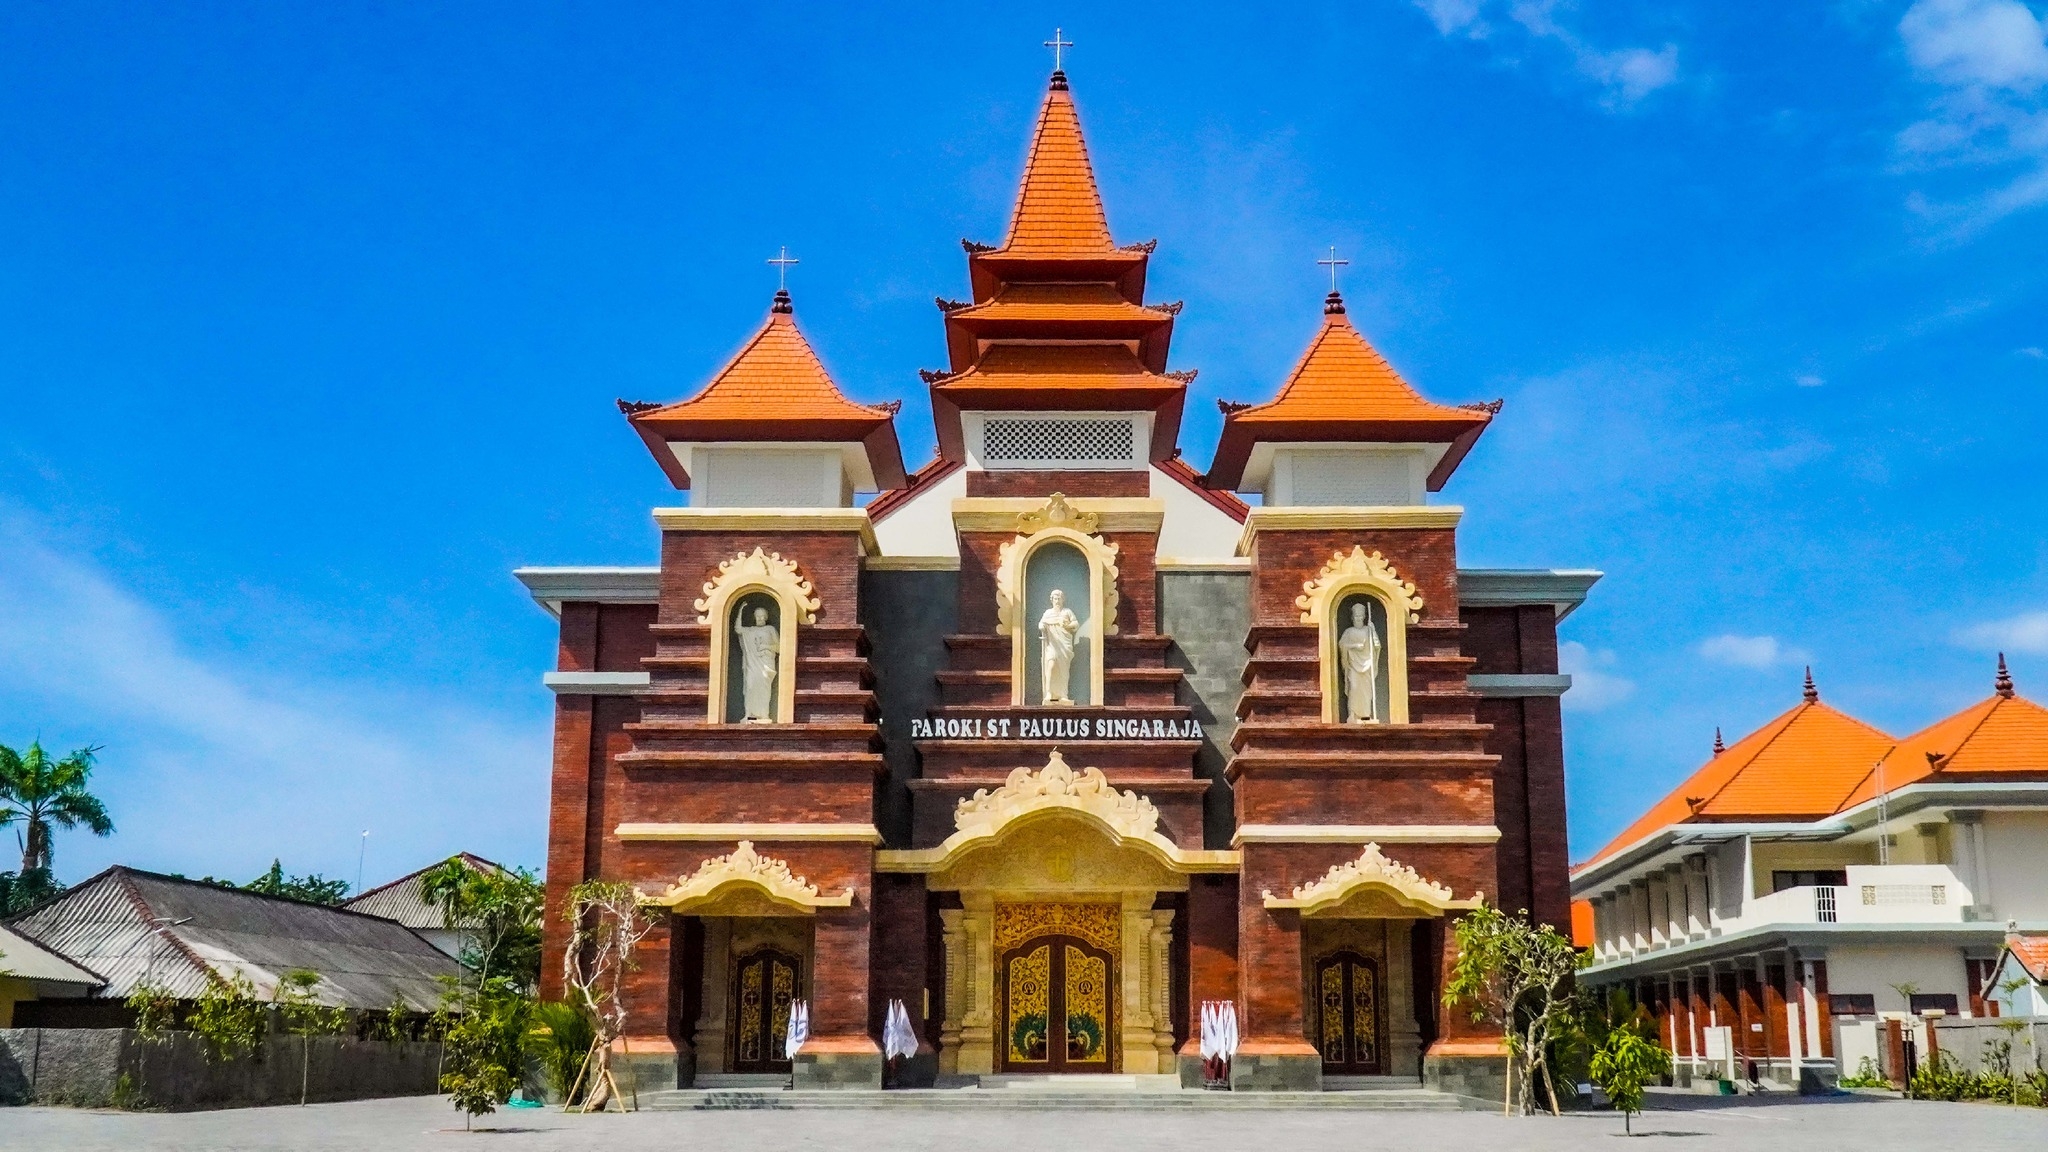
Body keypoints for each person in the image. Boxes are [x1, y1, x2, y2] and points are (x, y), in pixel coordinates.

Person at [1337, 600, 1382, 723]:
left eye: (1360, 616)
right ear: (1352, 617)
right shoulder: (1348, 632)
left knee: (1366, 691)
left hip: (1367, 664)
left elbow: (1377, 646)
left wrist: (1373, 631)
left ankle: (1366, 715)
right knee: (1354, 689)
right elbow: (1342, 645)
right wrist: (1354, 646)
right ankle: (1352, 714)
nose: (1358, 618)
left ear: (1364, 617)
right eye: (1356, 616)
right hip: (1353, 665)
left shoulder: (1368, 630)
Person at [734, 604, 779, 722]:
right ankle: (749, 714)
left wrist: (766, 647)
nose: (760, 618)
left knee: (764, 688)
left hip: (766, 664)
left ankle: (764, 715)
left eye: (762, 616)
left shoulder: (770, 629)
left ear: (766, 617)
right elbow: (738, 629)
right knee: (750, 685)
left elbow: (779, 647)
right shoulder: (750, 630)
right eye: (758, 616)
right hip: (752, 664)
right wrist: (740, 610)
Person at [1038, 588, 1080, 705]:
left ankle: (1063, 695)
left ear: (1062, 600)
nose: (1057, 601)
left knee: (1063, 670)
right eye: (1055, 599)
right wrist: (1042, 626)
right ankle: (1049, 693)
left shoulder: (1067, 612)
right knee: (1050, 666)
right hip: (1052, 645)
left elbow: (1075, 624)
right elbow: (1041, 623)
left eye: (1059, 598)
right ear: (1051, 600)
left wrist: (1067, 625)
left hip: (1064, 645)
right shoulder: (1048, 613)